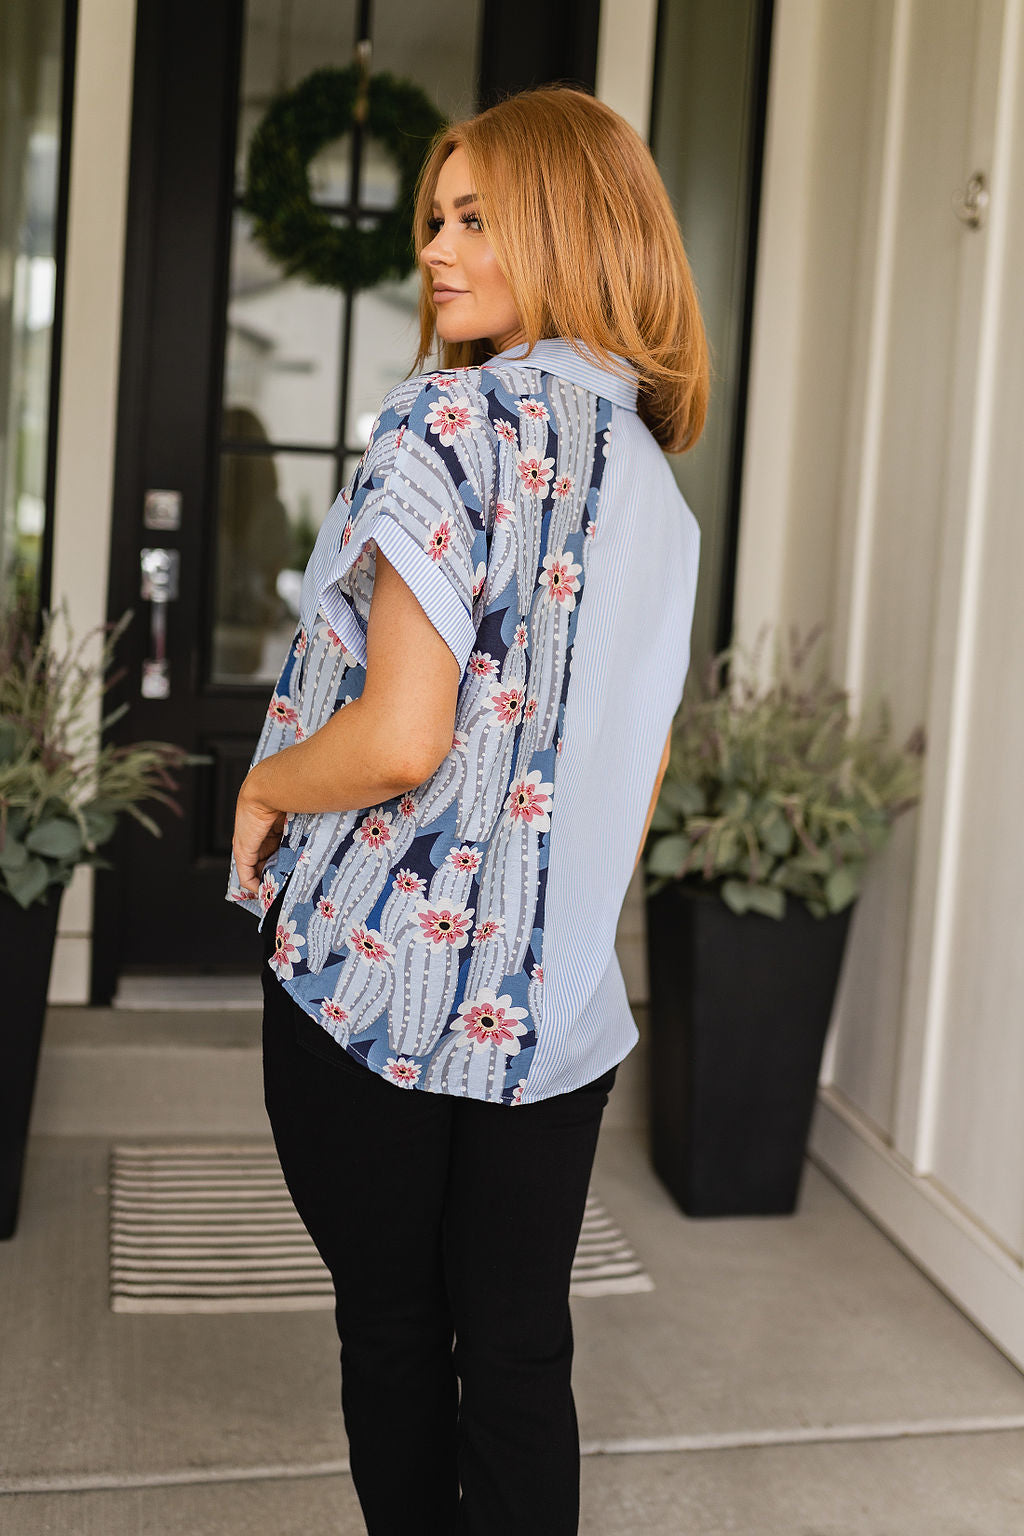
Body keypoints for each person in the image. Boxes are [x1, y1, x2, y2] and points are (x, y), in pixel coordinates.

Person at [228, 84, 707, 1536]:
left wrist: (260, 783)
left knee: (391, 1334)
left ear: (571, 228)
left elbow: (397, 739)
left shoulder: (448, 421)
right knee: (517, 1356)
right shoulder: (657, 488)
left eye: (477, 218)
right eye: (437, 219)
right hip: (553, 1018)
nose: (436, 249)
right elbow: (637, 776)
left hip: (375, 988)